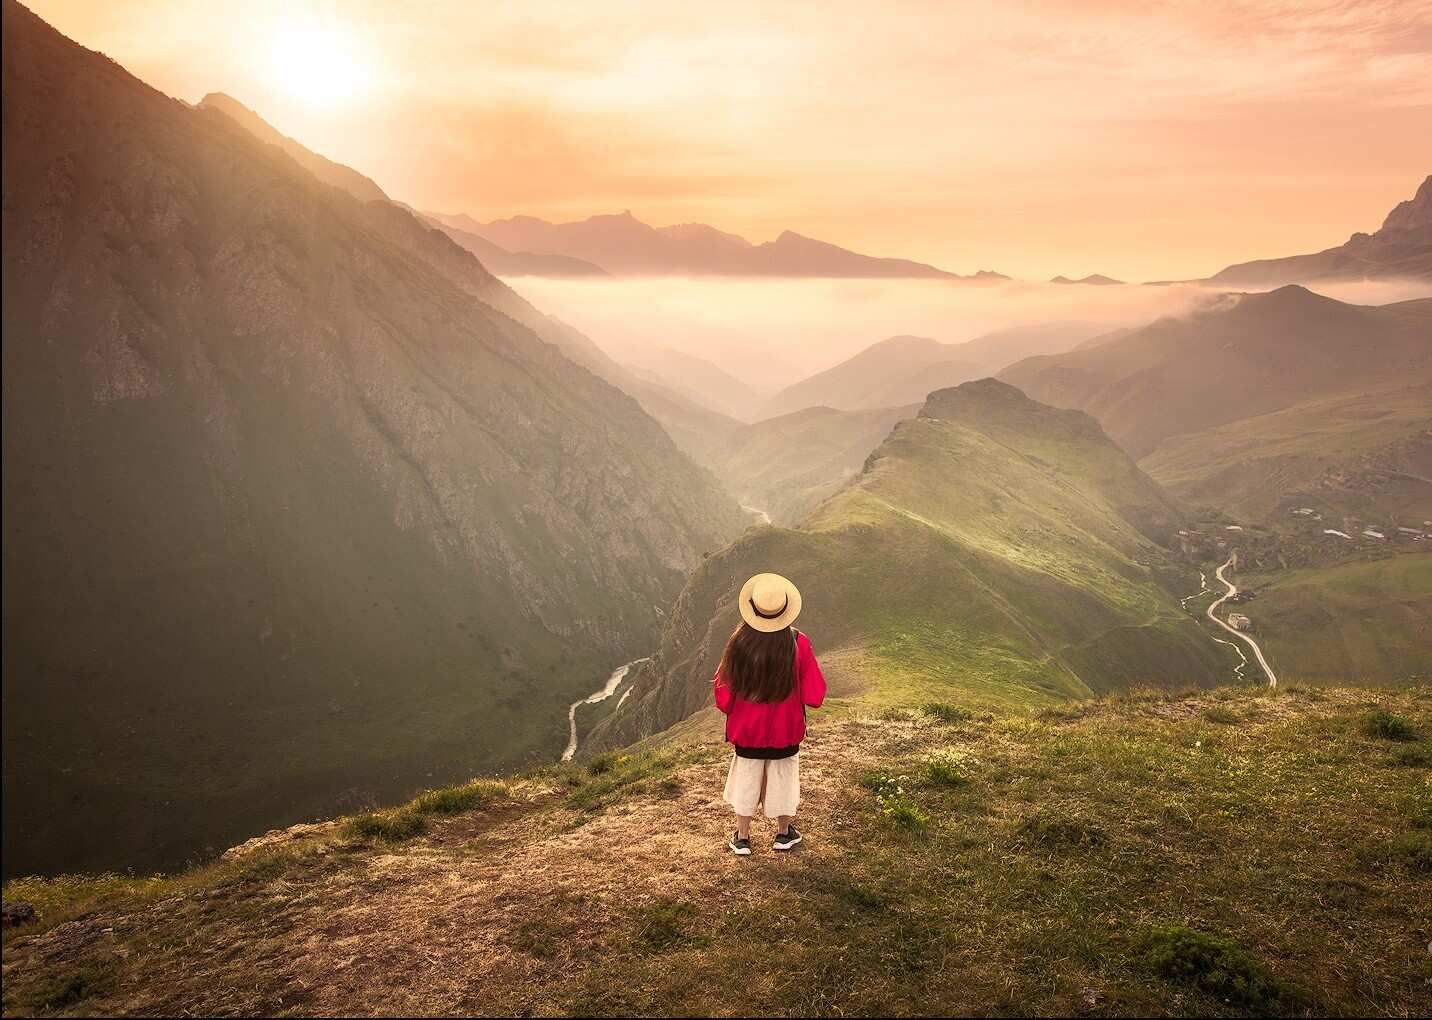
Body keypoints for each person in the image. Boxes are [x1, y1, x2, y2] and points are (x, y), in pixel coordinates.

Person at [713, 572, 826, 855]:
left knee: (747, 777)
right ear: (785, 609)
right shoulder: (799, 643)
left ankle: (742, 837)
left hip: (747, 730)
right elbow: (815, 695)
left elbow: (723, 693)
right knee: (783, 778)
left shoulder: (739, 642)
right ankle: (783, 834)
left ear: (752, 607)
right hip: (785, 729)